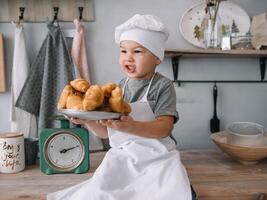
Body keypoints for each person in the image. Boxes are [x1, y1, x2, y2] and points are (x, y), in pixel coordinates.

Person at [47, 14, 196, 200]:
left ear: (157, 58)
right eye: (123, 51)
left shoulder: (163, 86)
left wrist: (133, 126)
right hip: (123, 154)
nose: (129, 58)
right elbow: (105, 132)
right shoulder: (118, 88)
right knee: (100, 190)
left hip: (158, 156)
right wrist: (86, 121)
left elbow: (164, 127)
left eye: (138, 52)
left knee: (168, 189)